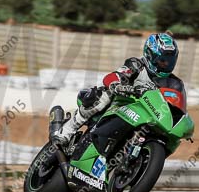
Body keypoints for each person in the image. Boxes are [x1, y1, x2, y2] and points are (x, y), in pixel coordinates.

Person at [51, 32, 185, 147]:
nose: (166, 64)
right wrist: (117, 85)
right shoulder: (137, 65)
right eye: (162, 60)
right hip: (120, 103)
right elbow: (113, 76)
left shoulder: (174, 83)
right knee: (103, 96)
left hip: (146, 115)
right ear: (150, 55)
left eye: (170, 61)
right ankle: (66, 130)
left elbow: (178, 106)